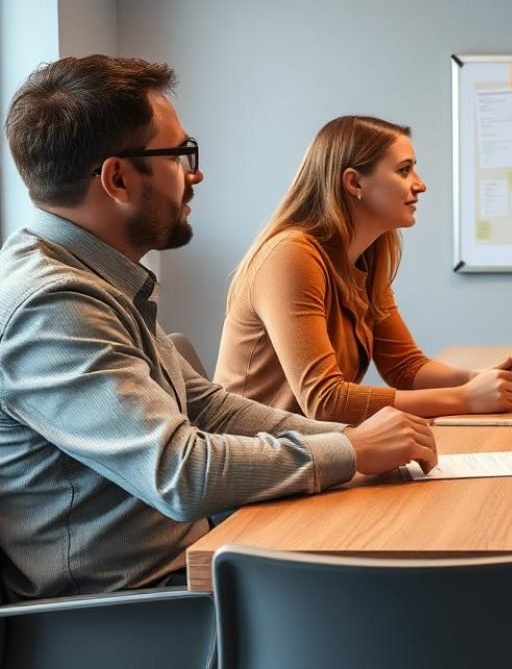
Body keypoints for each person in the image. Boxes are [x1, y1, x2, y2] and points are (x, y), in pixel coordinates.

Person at [0, 56, 437, 602]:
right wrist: (351, 452)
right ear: (116, 178)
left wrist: (352, 440)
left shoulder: (98, 275)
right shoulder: (54, 303)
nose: (196, 173)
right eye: (182, 154)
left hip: (188, 565)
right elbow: (181, 472)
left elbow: (208, 406)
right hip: (123, 613)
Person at [215, 116, 512, 425]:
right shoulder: (290, 256)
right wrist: (464, 398)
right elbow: (326, 402)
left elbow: (405, 368)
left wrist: (480, 379)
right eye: (404, 170)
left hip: (314, 451)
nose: (420, 184)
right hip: (259, 460)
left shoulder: (366, 256)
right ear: (354, 182)